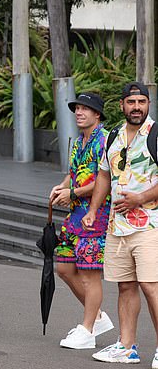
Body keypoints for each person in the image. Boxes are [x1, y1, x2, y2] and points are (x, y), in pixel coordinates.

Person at [82, 82, 158, 369]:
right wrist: (92, 211)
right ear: (122, 105)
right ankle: (127, 347)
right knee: (126, 286)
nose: (136, 106)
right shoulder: (113, 135)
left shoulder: (156, 134)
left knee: (151, 287)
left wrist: (141, 197)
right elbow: (103, 174)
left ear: (148, 104)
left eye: (141, 101)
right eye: (131, 102)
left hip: (150, 224)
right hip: (117, 225)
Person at [49, 92, 114, 349]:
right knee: (64, 268)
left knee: (89, 275)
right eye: (77, 108)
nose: (79, 112)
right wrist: (61, 187)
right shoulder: (79, 141)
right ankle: (97, 317)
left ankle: (87, 330)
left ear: (97, 114)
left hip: (96, 215)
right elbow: (73, 172)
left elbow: (104, 181)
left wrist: (72, 192)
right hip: (74, 214)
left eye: (85, 109)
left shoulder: (106, 140)